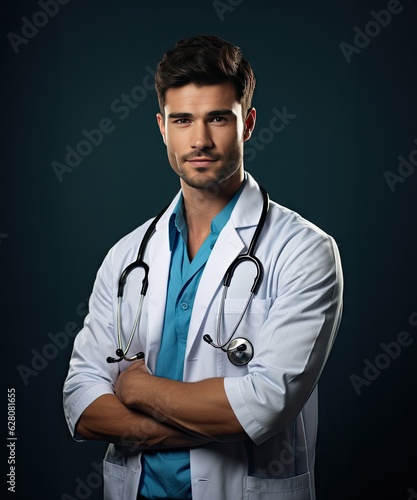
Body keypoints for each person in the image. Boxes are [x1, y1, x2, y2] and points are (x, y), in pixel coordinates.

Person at [63, 35, 343, 500]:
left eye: (218, 118)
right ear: (162, 127)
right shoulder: (128, 256)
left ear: (248, 123)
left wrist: (137, 388)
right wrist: (164, 430)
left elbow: (266, 404)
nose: (200, 140)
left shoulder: (304, 251)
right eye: (182, 120)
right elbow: (80, 401)